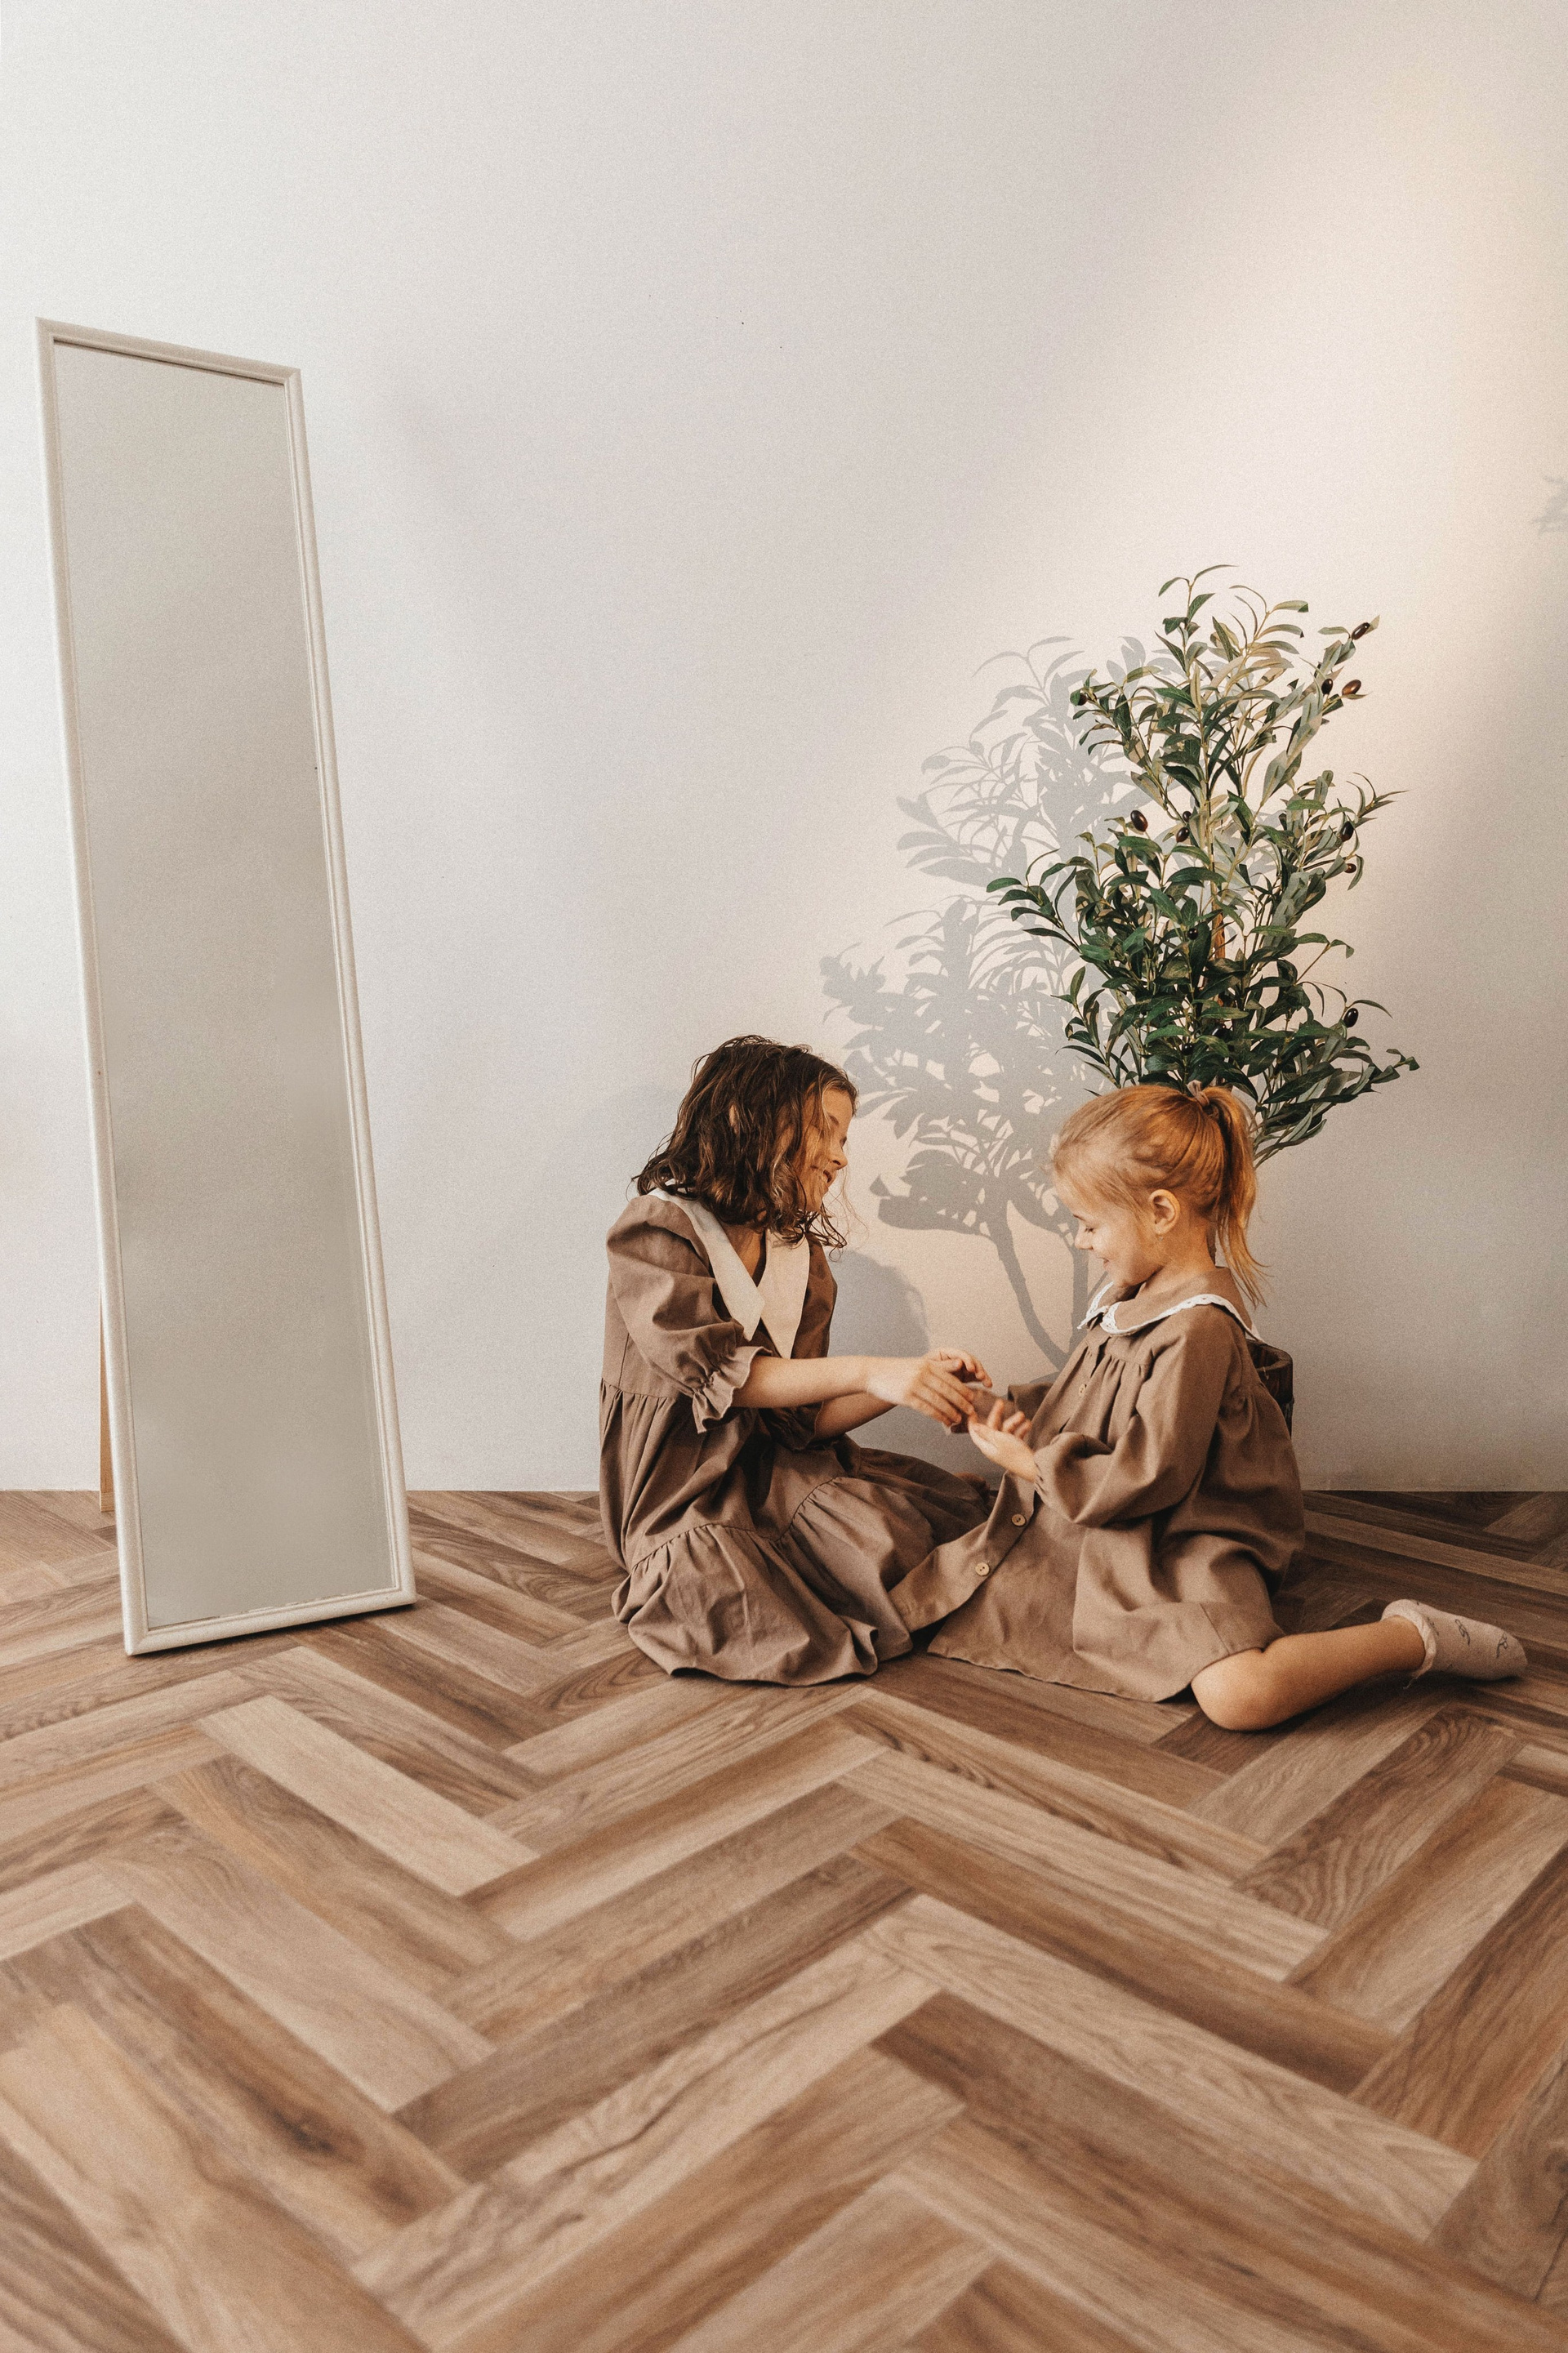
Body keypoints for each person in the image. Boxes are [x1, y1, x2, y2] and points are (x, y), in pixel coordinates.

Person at [901, 1083, 1526, 1728]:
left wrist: (1032, 1464)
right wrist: (995, 1408)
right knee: (949, 1583)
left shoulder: (1198, 1328)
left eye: (1090, 1224)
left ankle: (1410, 1637)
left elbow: (1153, 1471)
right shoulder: (1127, 1296)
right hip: (1122, 1520)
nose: (1083, 1241)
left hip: (1187, 1534)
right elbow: (1093, 1403)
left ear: (1161, 1210)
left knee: (1241, 1696)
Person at [599, 1036, 992, 1682]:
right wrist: (876, 1369)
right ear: (751, 1123)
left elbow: (802, 1421)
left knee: (891, 1540)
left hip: (778, 1471)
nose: (841, 1156)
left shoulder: (798, 1255)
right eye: (825, 1131)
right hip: (683, 1487)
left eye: (845, 1138)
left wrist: (909, 1382)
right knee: (726, 1597)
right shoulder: (657, 1231)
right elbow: (733, 1377)